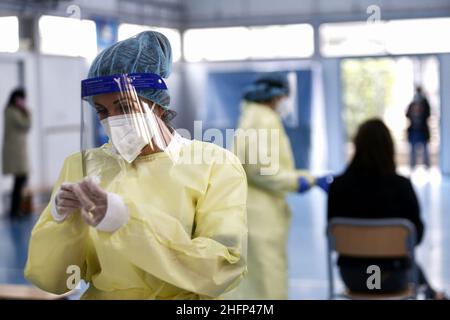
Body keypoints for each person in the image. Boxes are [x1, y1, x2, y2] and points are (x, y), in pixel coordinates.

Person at [25, 31, 248, 299]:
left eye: (125, 106)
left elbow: (221, 269)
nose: (113, 120)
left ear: (157, 106)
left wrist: (125, 223)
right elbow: (52, 280)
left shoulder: (214, 165)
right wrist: (62, 223)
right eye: (103, 111)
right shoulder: (82, 166)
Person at [228, 72, 330, 300]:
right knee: (267, 278)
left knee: (255, 277)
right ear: (276, 96)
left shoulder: (251, 116)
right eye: (285, 96)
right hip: (261, 213)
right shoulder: (263, 119)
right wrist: (300, 181)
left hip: (256, 208)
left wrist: (307, 177)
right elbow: (260, 169)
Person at [328, 118, 446, 299]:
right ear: (389, 148)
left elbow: (331, 234)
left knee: (409, 267)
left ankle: (434, 293)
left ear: (357, 146)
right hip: (391, 277)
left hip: (354, 277)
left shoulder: (338, 186)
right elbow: (416, 235)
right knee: (412, 266)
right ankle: (435, 294)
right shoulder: (401, 186)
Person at [2, 88, 31, 219]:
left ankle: (17, 209)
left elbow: (28, 125)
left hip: (18, 150)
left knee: (21, 179)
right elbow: (25, 123)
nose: (23, 101)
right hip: (14, 151)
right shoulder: (11, 111)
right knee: (20, 179)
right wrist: (26, 110)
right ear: (15, 98)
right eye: (21, 99)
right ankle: (15, 211)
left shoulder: (16, 111)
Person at [406, 86, 431, 169]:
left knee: (425, 151)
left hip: (422, 130)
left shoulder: (425, 103)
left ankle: (427, 167)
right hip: (414, 130)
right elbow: (407, 114)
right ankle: (412, 167)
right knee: (413, 150)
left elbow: (428, 114)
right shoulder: (412, 103)